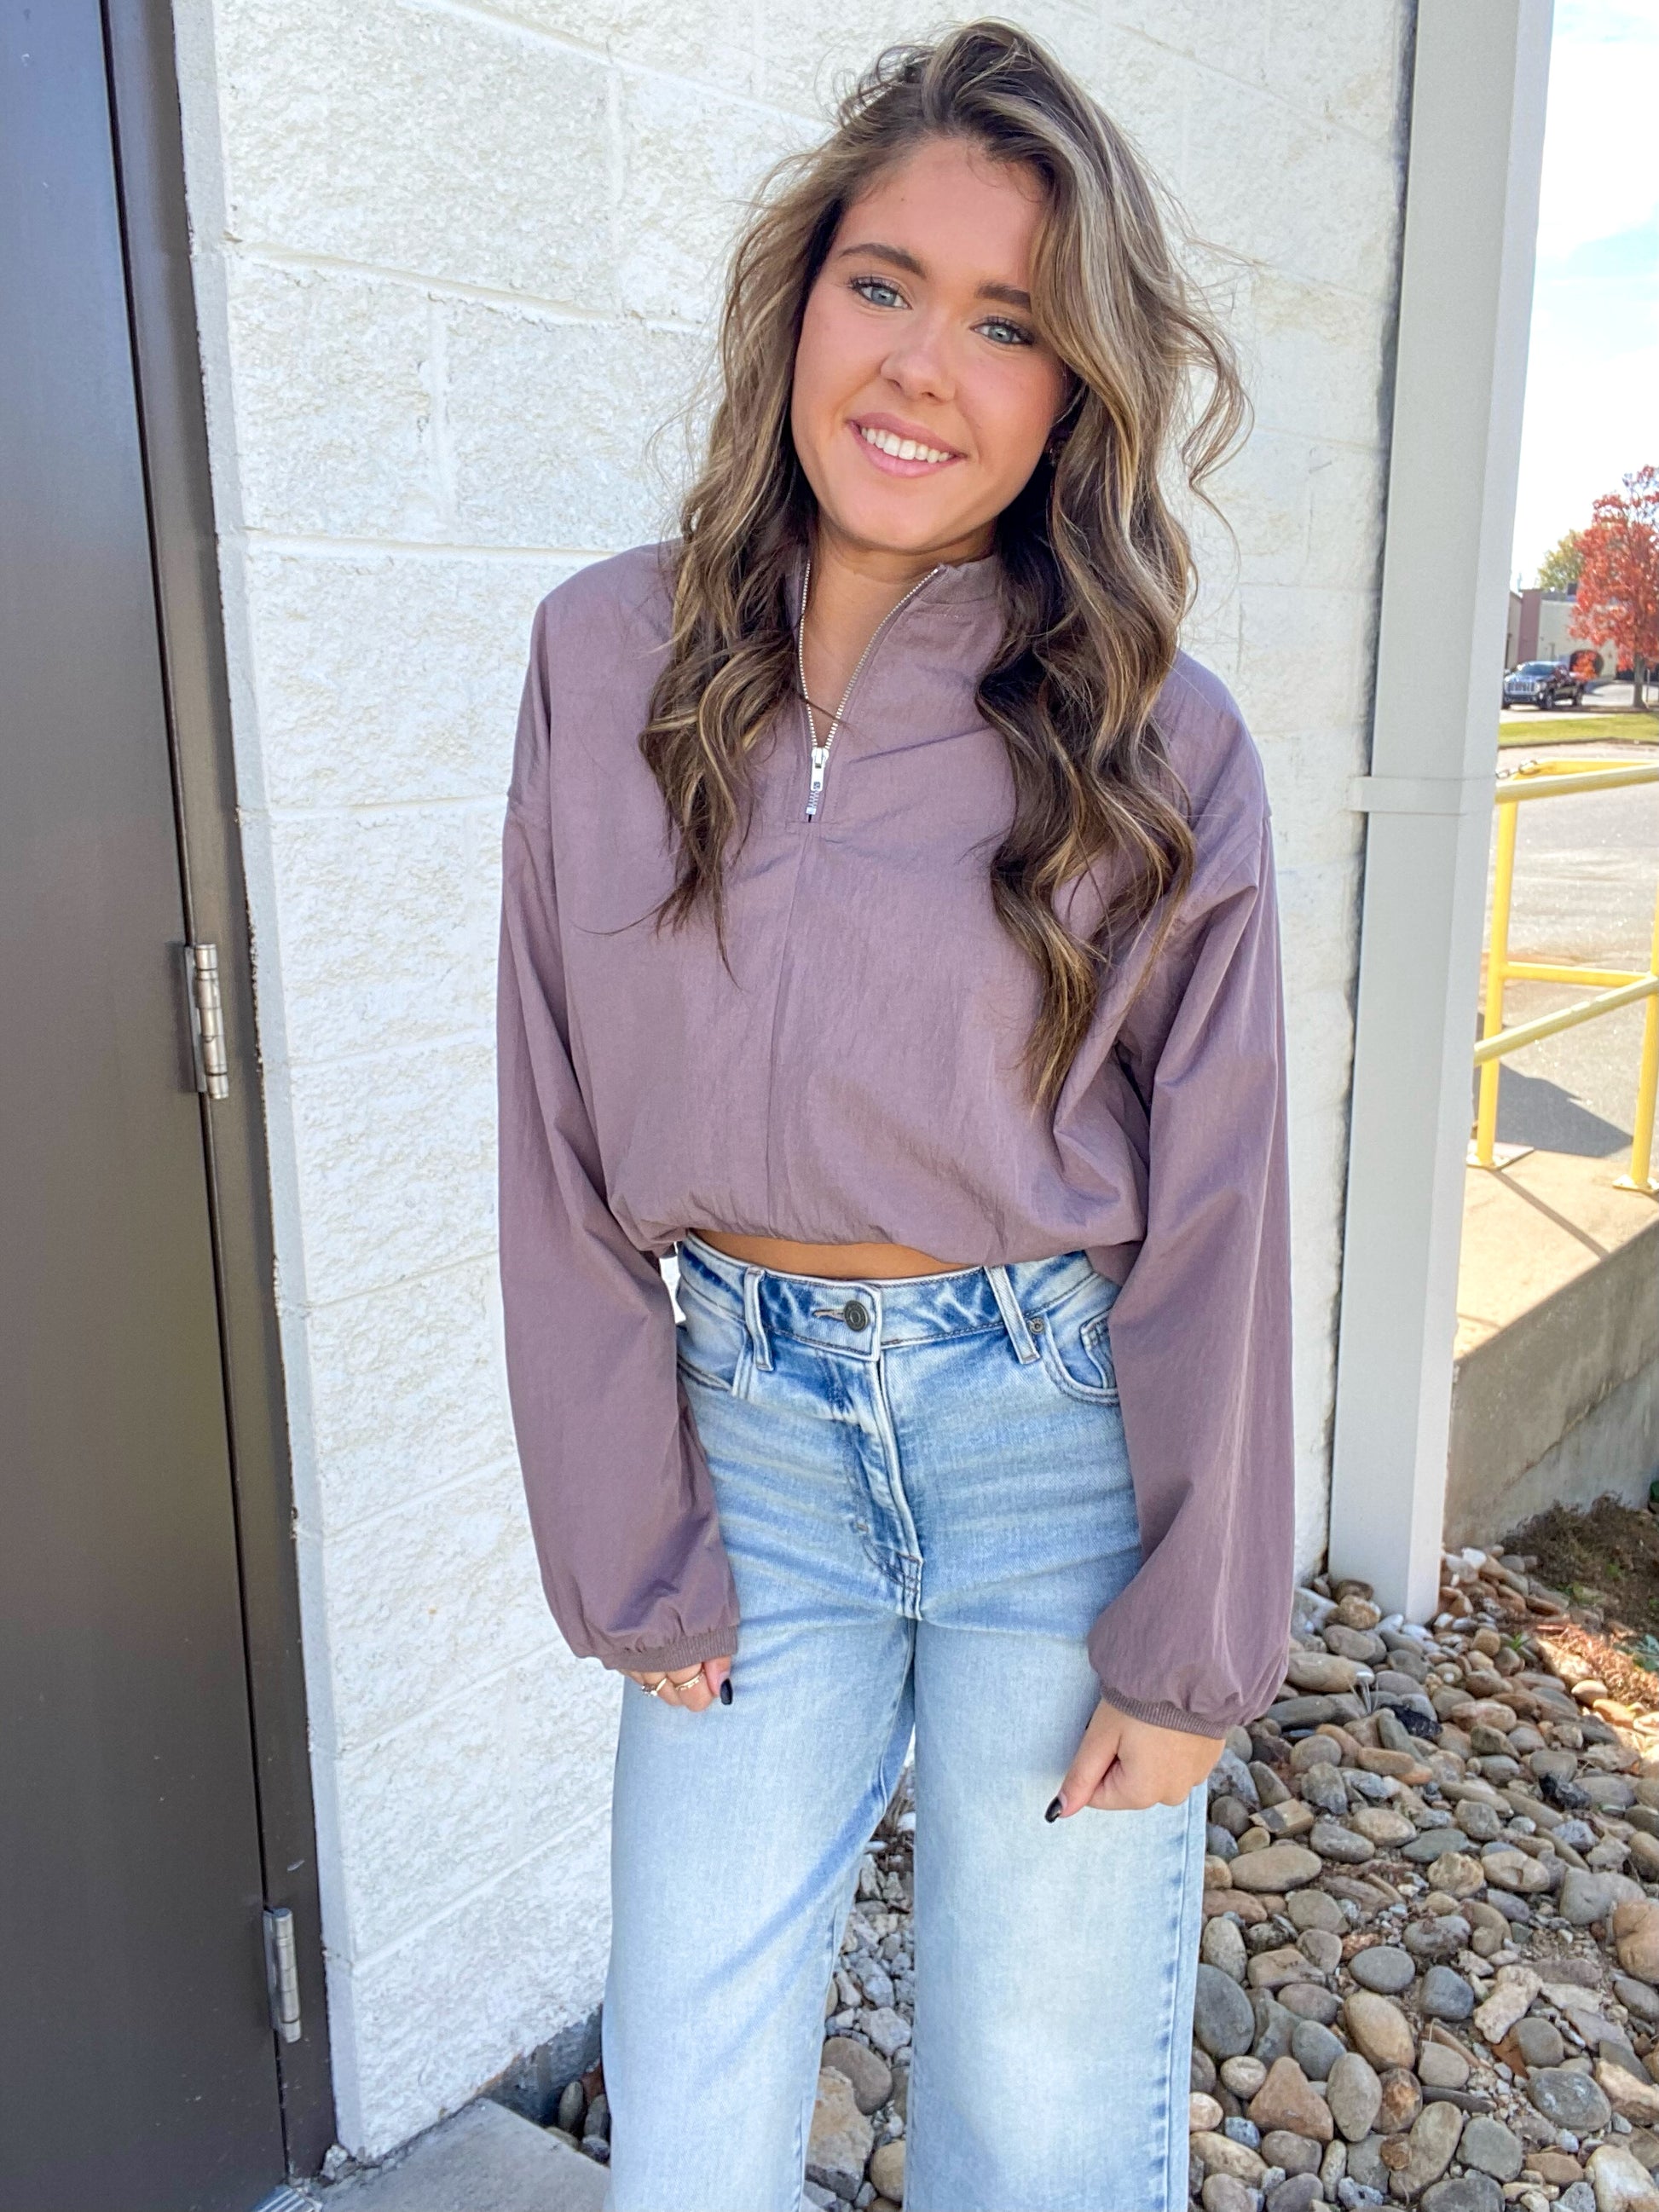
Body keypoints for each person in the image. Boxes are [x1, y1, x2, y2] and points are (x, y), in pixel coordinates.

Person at [495, 21, 1294, 2209]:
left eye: (1008, 322)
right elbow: (548, 1119)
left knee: (1036, 2129)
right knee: (688, 2103)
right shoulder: (602, 658)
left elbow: (1223, 1202)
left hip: (1053, 1449)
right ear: (801, 298)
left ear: (1074, 391)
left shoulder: (1158, 740)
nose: (922, 366)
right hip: (744, 1450)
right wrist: (629, 1533)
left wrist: (1194, 1643)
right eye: (884, 283)